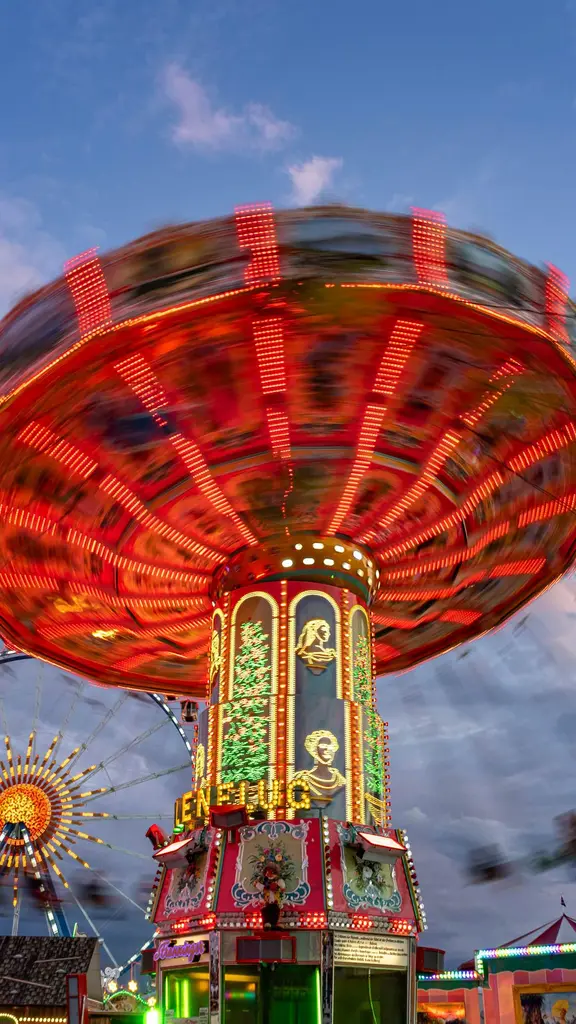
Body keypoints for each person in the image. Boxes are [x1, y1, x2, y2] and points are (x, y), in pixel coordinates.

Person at [292, 729, 345, 802]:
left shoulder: (340, 780)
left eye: (330, 746)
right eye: (323, 745)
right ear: (314, 749)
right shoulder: (303, 778)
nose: (327, 749)